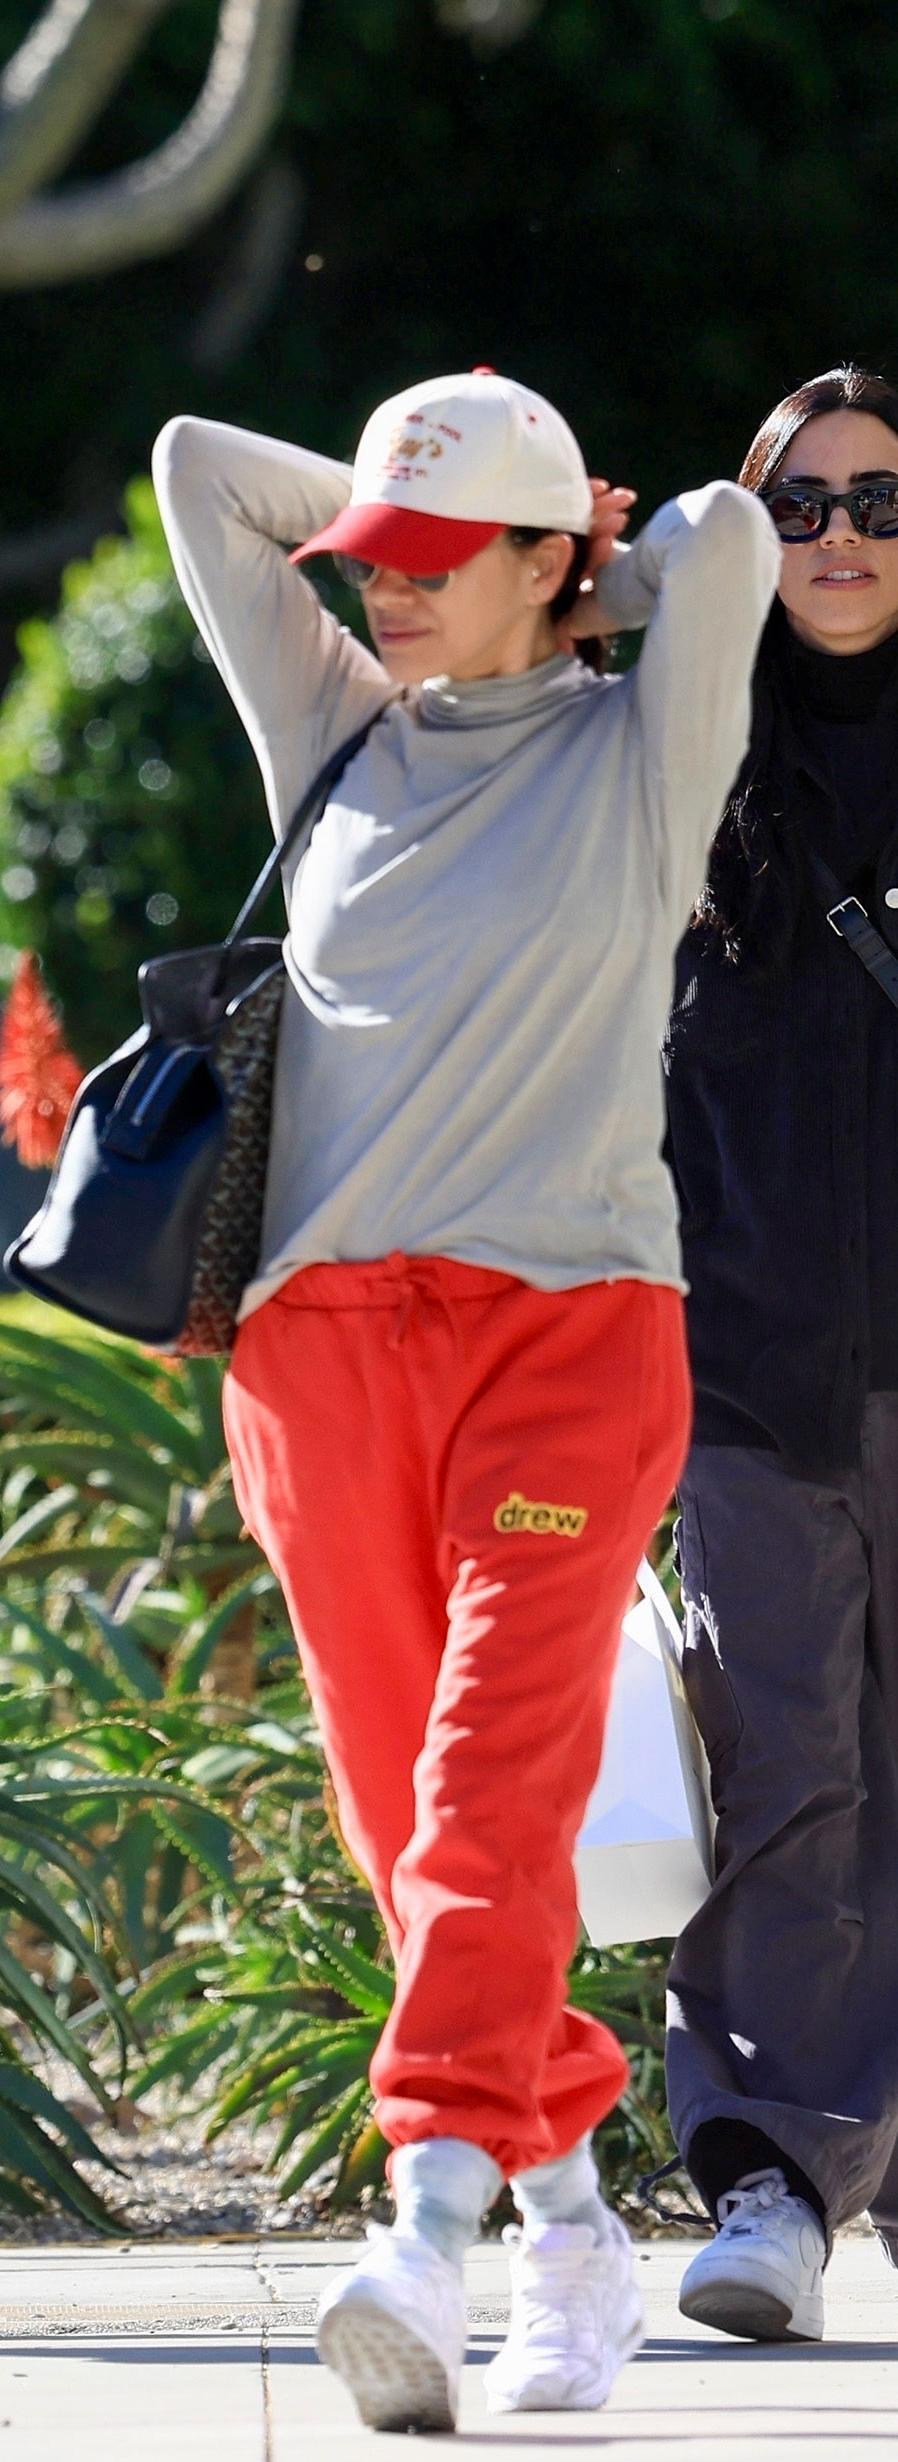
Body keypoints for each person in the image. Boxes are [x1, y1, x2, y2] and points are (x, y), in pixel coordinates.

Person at [153, 370, 778, 2432]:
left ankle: (424, 2221)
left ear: (552, 569)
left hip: (572, 1330)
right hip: (318, 1342)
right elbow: (199, 473)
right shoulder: (335, 733)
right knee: (412, 1817)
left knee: (498, 1777)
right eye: (377, 569)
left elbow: (732, 535)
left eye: (445, 564)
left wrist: (576, 550)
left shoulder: (642, 746)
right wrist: (423, 496)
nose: (392, 589)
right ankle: (576, 2219)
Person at [663, 366, 898, 2345]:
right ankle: (771, 2181)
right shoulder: (679, 753)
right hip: (747, 1355)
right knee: (787, 1771)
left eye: (881, 503)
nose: (841, 537)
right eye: (797, 507)